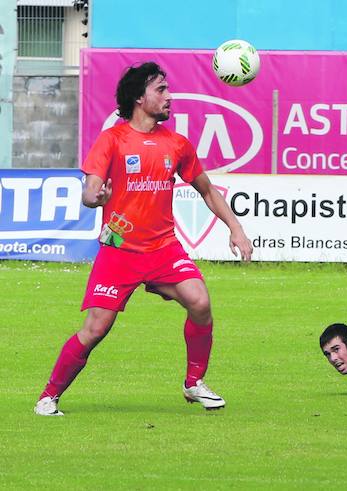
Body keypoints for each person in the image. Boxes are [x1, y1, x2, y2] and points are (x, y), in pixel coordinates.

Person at [34, 62, 254, 416]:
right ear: (139, 97)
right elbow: (90, 192)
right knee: (95, 330)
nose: (169, 97)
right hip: (119, 251)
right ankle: (49, 396)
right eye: (161, 90)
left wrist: (236, 227)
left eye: (168, 89)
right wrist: (98, 197)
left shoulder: (177, 144)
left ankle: (193, 383)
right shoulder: (112, 139)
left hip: (164, 249)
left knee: (199, 302)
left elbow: (208, 190)